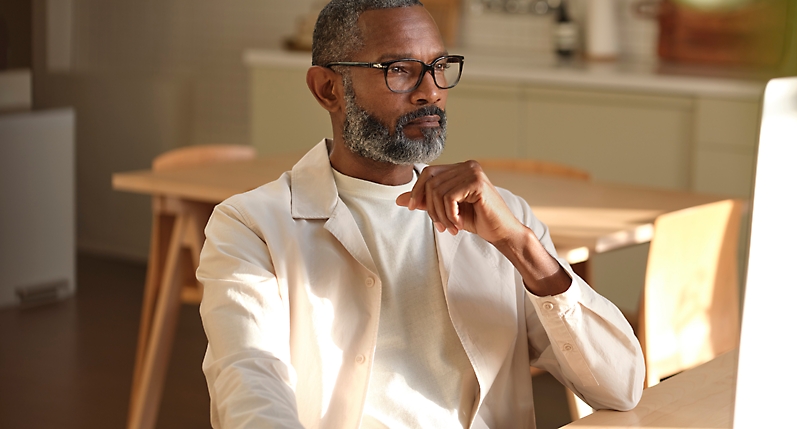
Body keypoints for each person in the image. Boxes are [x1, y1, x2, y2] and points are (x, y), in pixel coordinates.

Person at [197, 1, 644, 428]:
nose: (430, 91)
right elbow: (249, 389)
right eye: (398, 70)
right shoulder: (250, 227)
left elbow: (621, 388)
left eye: (438, 67)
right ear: (328, 89)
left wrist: (521, 246)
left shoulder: (503, 220)